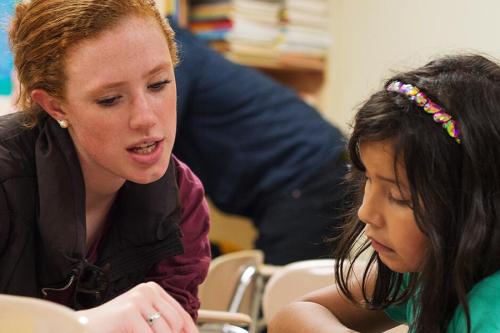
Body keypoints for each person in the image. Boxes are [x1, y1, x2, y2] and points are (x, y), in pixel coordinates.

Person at [2, 0, 210, 332]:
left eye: (158, 84)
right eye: (110, 99)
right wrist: (79, 325)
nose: (145, 118)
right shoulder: (6, 174)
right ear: (55, 106)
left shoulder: (181, 197)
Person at [268, 54, 500, 332]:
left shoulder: (490, 313)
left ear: (480, 204)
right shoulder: (427, 272)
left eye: (399, 197)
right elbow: (293, 316)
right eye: (367, 178)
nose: (366, 212)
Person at [172, 23, 348, 265]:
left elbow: (157, 130)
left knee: (281, 294)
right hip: (313, 170)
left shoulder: (173, 53)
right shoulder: (181, 50)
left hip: (308, 175)